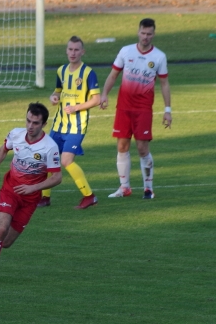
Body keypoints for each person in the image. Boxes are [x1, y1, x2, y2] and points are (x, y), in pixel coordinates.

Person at [0, 103, 61, 285]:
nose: (30, 126)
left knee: (5, 242)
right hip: (10, 190)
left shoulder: (49, 147)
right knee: (1, 229)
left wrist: (33, 188)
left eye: (36, 123)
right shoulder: (16, 134)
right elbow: (3, 150)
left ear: (44, 124)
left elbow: (57, 177)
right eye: (28, 121)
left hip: (30, 199)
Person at [99, 18, 172, 200]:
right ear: (138, 32)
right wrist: (104, 94)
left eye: (149, 34)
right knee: (122, 146)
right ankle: (124, 188)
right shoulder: (126, 51)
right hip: (123, 107)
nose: (145, 37)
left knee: (141, 148)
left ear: (153, 34)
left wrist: (167, 109)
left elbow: (164, 84)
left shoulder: (159, 57)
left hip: (143, 109)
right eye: (143, 33)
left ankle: (148, 188)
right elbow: (114, 74)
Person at [39, 36, 100, 209]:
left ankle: (89, 196)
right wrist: (53, 97)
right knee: (50, 158)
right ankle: (45, 197)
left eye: (76, 50)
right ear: (66, 51)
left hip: (76, 125)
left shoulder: (88, 73)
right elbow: (57, 91)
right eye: (70, 49)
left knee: (65, 160)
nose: (73, 53)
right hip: (59, 124)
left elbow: (96, 99)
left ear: (82, 52)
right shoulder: (61, 71)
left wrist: (77, 107)